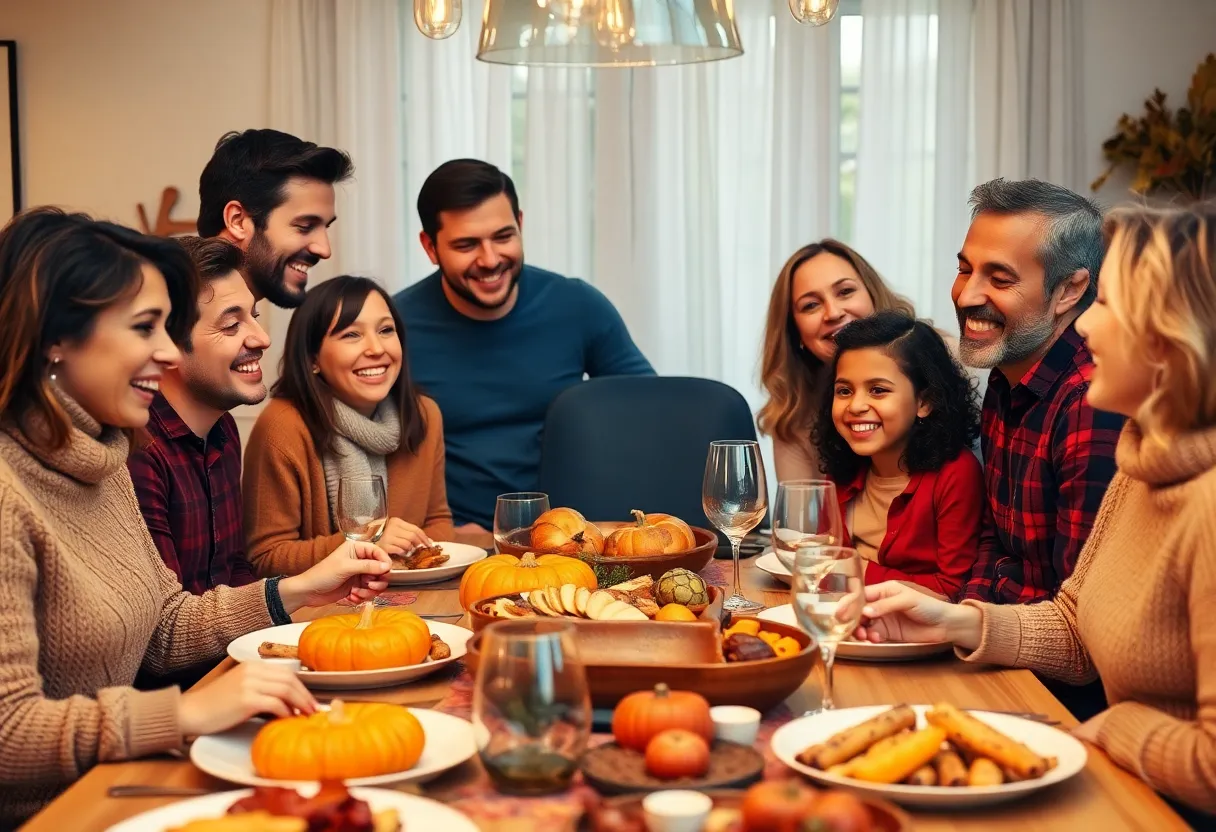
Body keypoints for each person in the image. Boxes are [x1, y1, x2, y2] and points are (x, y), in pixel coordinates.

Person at [0, 208, 391, 826]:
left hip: (128, 785)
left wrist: (299, 589)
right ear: (56, 338)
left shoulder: (104, 455)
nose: (166, 349)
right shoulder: (8, 494)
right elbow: (8, 731)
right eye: (144, 327)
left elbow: (162, 628)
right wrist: (181, 716)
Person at [854, 203, 1216, 821]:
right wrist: (954, 622)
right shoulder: (1144, 461)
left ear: (1173, 337)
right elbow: (1078, 624)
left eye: (1109, 305)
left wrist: (1116, 724)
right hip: (1116, 773)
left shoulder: (1206, 508)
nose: (1087, 328)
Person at [393, 159, 654, 530]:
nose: (490, 259)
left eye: (503, 236)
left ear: (521, 223)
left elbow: (648, 413)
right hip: (449, 543)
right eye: (466, 244)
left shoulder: (578, 305)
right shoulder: (392, 328)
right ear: (430, 247)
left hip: (569, 537)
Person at [954, 178, 1124, 605]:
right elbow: (995, 539)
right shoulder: (1007, 371)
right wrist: (965, 618)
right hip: (994, 642)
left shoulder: (1091, 401)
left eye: (1000, 278)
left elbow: (1081, 609)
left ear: (1070, 289)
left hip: (1050, 663)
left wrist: (970, 630)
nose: (966, 294)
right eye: (964, 269)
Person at [244, 276, 455, 576]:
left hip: (409, 598)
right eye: (351, 335)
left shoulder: (424, 414)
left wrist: (406, 552)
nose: (375, 348)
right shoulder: (282, 426)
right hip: (316, 610)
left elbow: (438, 523)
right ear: (313, 358)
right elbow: (266, 557)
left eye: (385, 330)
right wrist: (367, 541)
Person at [128, 236, 270, 595]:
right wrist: (290, 594)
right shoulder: (137, 450)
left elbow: (233, 568)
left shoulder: (223, 427)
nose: (262, 338)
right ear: (169, 345)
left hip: (228, 650)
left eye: (253, 317)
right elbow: (164, 623)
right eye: (231, 325)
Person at [814, 312, 983, 598]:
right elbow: (824, 567)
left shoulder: (957, 473)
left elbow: (954, 590)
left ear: (924, 402)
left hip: (919, 637)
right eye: (844, 390)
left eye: (878, 390)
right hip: (847, 621)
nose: (855, 405)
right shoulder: (843, 467)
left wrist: (857, 569)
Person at [758, 240, 918, 483]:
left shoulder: (943, 361)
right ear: (795, 331)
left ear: (873, 295)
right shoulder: (793, 411)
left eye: (845, 292)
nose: (833, 313)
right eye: (811, 305)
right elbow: (799, 518)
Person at [197, 128, 353, 308]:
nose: (325, 250)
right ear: (237, 221)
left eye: (325, 227)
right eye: (305, 226)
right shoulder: (172, 328)